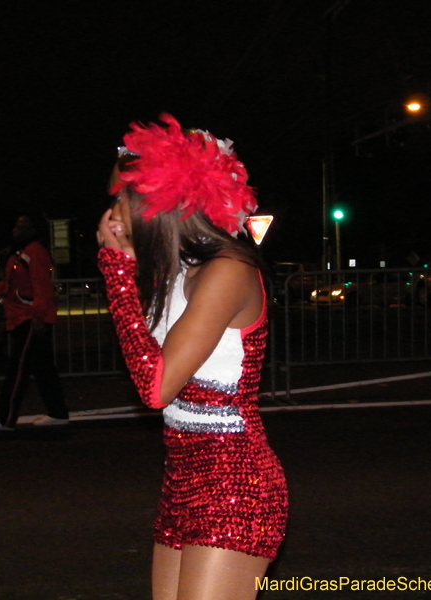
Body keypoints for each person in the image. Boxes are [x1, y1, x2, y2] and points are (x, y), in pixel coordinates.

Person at [97, 114, 288, 600]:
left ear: (154, 204)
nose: (112, 214)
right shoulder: (176, 273)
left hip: (234, 481)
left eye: (120, 199)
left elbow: (155, 386)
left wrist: (117, 272)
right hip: (182, 476)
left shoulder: (229, 270)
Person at [0, 215, 69, 430]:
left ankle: (6, 419)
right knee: (42, 368)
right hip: (25, 317)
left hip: (29, 318)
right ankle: (58, 413)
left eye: (22, 227)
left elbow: (41, 287)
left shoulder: (34, 253)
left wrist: (38, 316)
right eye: (16, 226)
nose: (16, 230)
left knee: (18, 369)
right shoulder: (21, 254)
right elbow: (10, 284)